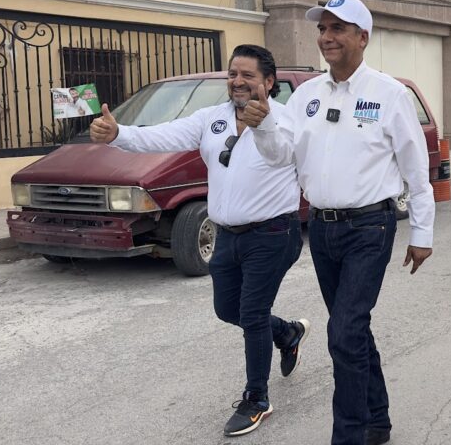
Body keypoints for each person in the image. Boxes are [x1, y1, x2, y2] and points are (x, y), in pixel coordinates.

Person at [89, 44, 309, 437]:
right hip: (228, 235)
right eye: (233, 74)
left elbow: (278, 156)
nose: (238, 82)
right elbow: (162, 136)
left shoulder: (286, 121)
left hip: (273, 233)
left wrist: (263, 126)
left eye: (248, 75)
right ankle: (288, 332)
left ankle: (257, 398)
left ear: (269, 83)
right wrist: (118, 133)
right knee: (229, 310)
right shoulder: (213, 118)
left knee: (253, 313)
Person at [244, 0, 434, 445]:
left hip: (371, 226)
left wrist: (422, 232)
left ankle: (348, 436)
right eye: (322, 29)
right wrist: (262, 126)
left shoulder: (389, 94)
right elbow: (278, 157)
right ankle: (378, 419)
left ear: (362, 37)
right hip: (323, 229)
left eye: (337, 29)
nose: (326, 37)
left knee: (344, 332)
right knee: (352, 331)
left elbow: (416, 169)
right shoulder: (306, 96)